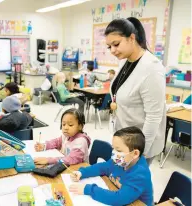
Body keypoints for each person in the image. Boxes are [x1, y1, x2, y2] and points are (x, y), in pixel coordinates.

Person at [106, 17, 166, 165]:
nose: (112, 51)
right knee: (117, 182)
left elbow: (153, 117)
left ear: (132, 38)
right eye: (109, 47)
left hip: (139, 146)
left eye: (116, 44)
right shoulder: (125, 61)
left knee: (133, 185)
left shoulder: (151, 68)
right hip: (123, 139)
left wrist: (140, 154)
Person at [69, 127, 153, 206]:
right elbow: (102, 167)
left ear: (135, 153)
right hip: (117, 191)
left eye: (119, 150)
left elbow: (119, 198)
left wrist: (88, 189)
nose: (114, 153)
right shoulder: (120, 161)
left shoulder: (140, 175)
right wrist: (82, 172)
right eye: (113, 148)